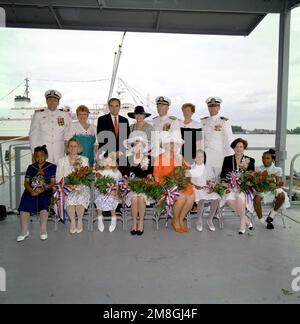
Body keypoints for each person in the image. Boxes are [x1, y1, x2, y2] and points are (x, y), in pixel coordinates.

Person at [153, 131, 195, 233]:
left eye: (175, 143)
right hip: (166, 185)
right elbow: (156, 177)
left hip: (179, 183)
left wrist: (185, 163)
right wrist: (165, 188)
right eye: (170, 143)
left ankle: (180, 219)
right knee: (181, 197)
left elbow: (187, 170)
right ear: (166, 145)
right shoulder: (160, 158)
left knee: (191, 197)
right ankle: (175, 220)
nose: (173, 146)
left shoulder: (179, 157)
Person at [17, 145, 56, 242]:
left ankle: (43, 230)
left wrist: (43, 189)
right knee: (25, 203)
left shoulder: (52, 166)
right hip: (31, 189)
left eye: (42, 155)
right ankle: (24, 231)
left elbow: (53, 182)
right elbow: (26, 182)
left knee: (44, 203)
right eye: (37, 156)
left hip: (45, 189)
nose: (39, 158)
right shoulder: (31, 167)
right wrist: (31, 190)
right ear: (34, 157)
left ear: (46, 156)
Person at [29, 90, 74, 164]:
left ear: (58, 102)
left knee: (59, 173)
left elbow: (69, 132)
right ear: (46, 101)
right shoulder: (38, 114)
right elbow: (33, 134)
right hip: (43, 152)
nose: (52, 102)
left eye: (55, 100)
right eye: (50, 100)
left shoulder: (64, 114)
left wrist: (69, 148)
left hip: (59, 150)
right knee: (44, 173)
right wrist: (34, 153)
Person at [220, 138, 255, 234]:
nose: (238, 149)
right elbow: (223, 175)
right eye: (236, 147)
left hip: (244, 187)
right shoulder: (227, 159)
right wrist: (225, 183)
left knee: (239, 198)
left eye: (241, 147)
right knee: (229, 199)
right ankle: (246, 219)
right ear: (233, 148)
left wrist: (243, 184)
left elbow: (251, 177)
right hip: (230, 186)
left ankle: (242, 224)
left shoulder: (248, 160)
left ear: (244, 148)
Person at [56, 138, 90, 234]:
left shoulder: (84, 160)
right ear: (67, 148)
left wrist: (78, 183)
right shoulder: (61, 161)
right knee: (69, 198)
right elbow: (58, 177)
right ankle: (72, 221)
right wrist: (68, 185)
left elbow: (87, 176)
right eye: (71, 146)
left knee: (80, 196)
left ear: (78, 147)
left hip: (81, 185)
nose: (73, 148)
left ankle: (79, 220)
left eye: (75, 146)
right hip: (67, 187)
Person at [123, 131, 153, 235]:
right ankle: (134, 222)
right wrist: (130, 183)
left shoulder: (149, 159)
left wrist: (145, 182)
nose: (137, 146)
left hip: (145, 187)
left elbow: (150, 176)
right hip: (131, 187)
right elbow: (125, 177)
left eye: (139, 143)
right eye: (135, 144)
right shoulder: (127, 159)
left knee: (141, 197)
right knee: (134, 198)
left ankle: (141, 222)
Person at [253, 149, 290, 230]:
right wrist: (260, 188)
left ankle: (272, 213)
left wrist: (271, 186)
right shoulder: (258, 168)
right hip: (262, 190)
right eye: (263, 158)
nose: (264, 160)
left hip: (273, 189)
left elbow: (278, 183)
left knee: (281, 194)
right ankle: (263, 221)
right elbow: (256, 183)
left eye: (267, 158)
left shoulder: (277, 169)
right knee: (256, 198)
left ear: (272, 159)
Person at [200, 96, 233, 178]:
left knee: (220, 181)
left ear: (219, 107)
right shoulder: (203, 121)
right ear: (208, 108)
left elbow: (229, 141)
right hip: (206, 157)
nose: (212, 108)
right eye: (210, 106)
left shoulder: (224, 121)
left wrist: (228, 159)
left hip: (219, 157)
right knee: (207, 182)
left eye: (215, 106)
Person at [97, 97, 130, 175]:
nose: (114, 108)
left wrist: (120, 152)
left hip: (122, 157)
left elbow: (126, 140)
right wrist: (111, 154)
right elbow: (101, 140)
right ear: (109, 107)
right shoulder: (102, 120)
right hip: (107, 158)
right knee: (108, 180)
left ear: (119, 107)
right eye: (111, 106)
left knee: (123, 180)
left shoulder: (124, 120)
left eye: (116, 106)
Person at [189, 149, 221, 232]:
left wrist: (211, 187)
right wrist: (196, 186)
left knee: (216, 198)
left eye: (201, 156)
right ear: (194, 158)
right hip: (195, 189)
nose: (199, 158)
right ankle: (199, 220)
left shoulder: (208, 168)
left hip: (206, 188)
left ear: (204, 158)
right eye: (197, 156)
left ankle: (210, 219)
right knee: (201, 199)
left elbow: (212, 180)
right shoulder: (190, 167)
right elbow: (187, 181)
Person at [95, 152, 122, 233]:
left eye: (109, 161)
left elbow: (118, 184)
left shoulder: (116, 172)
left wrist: (116, 192)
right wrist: (103, 190)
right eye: (105, 161)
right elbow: (97, 184)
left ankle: (113, 217)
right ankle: (100, 217)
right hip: (101, 192)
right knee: (100, 199)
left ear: (113, 162)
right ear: (102, 163)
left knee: (112, 199)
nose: (107, 163)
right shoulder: (99, 172)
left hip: (113, 192)